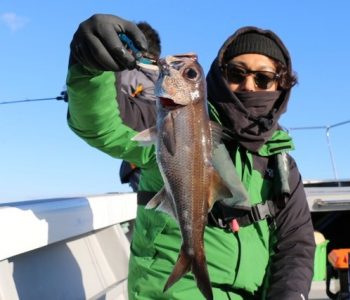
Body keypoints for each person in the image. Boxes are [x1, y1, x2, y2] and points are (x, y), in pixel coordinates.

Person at [67, 13, 315, 300]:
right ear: (219, 76)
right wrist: (87, 67)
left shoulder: (281, 163)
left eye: (263, 78)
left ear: (279, 88)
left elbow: (296, 243)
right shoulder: (164, 118)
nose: (249, 86)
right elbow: (100, 126)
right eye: (237, 74)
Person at [117, 21, 161, 192]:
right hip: (160, 157)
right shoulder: (163, 76)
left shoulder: (130, 73)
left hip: (143, 158)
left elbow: (110, 98)